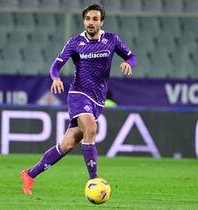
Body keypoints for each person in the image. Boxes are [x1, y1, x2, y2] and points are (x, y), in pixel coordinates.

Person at [20, 4, 136, 195]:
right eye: (88, 19)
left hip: (98, 99)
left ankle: (30, 174)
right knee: (91, 129)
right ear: (84, 21)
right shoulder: (75, 42)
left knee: (67, 145)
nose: (91, 22)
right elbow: (55, 66)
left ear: (101, 21)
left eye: (95, 19)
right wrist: (55, 77)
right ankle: (94, 181)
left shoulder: (111, 39)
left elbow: (131, 57)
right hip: (79, 94)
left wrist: (128, 62)